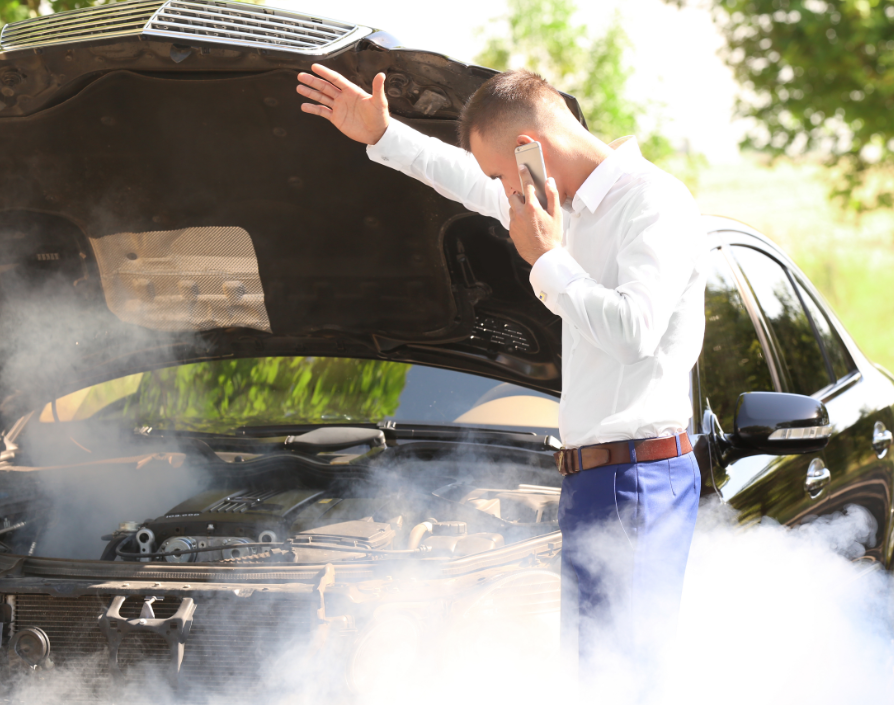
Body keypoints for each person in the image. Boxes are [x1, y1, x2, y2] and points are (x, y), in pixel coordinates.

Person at [297, 64, 706, 688]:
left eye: (500, 174)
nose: (498, 189)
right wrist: (384, 135)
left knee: (626, 683)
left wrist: (548, 258)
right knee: (593, 680)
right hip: (595, 479)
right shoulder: (561, 203)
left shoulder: (653, 203)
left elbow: (633, 333)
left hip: (639, 479)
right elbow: (466, 182)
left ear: (528, 149)